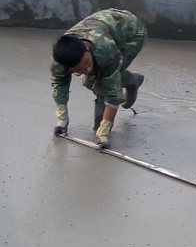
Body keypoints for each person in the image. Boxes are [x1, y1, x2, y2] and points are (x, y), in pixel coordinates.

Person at [51, 8, 147, 149]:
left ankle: (132, 81)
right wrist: (62, 120)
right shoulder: (59, 61)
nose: (87, 70)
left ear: (86, 47)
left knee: (103, 80)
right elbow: (59, 84)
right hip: (105, 27)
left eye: (87, 64)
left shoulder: (105, 51)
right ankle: (132, 80)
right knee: (90, 81)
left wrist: (104, 131)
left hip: (132, 32)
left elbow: (112, 93)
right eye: (79, 70)